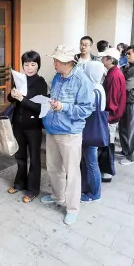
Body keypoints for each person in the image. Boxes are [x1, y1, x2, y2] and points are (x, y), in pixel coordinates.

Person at [42, 45, 94, 225]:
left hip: (70, 133)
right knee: (53, 167)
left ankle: (72, 208)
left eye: (57, 60)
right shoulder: (57, 77)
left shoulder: (82, 80)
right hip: (52, 129)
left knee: (71, 172)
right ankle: (57, 196)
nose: (54, 63)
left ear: (68, 62)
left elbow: (86, 109)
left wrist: (63, 107)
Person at [6, 51, 48, 203]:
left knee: (34, 159)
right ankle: (19, 183)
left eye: (33, 64)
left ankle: (32, 190)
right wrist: (12, 94)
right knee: (20, 157)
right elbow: (10, 98)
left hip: (33, 126)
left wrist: (22, 99)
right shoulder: (19, 79)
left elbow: (39, 108)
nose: (29, 68)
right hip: (18, 124)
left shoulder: (41, 83)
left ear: (38, 65)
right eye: (26, 64)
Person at [81, 61, 106, 203]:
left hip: (90, 129)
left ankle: (95, 194)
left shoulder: (94, 89)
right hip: (92, 129)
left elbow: (87, 110)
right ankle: (87, 189)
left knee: (91, 163)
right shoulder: (99, 87)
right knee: (88, 161)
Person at [100, 48, 126, 182]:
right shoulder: (113, 72)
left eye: (104, 57)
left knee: (108, 144)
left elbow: (113, 99)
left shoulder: (114, 75)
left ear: (110, 59)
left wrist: (107, 117)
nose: (102, 59)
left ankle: (107, 172)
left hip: (111, 116)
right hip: (112, 115)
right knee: (107, 143)